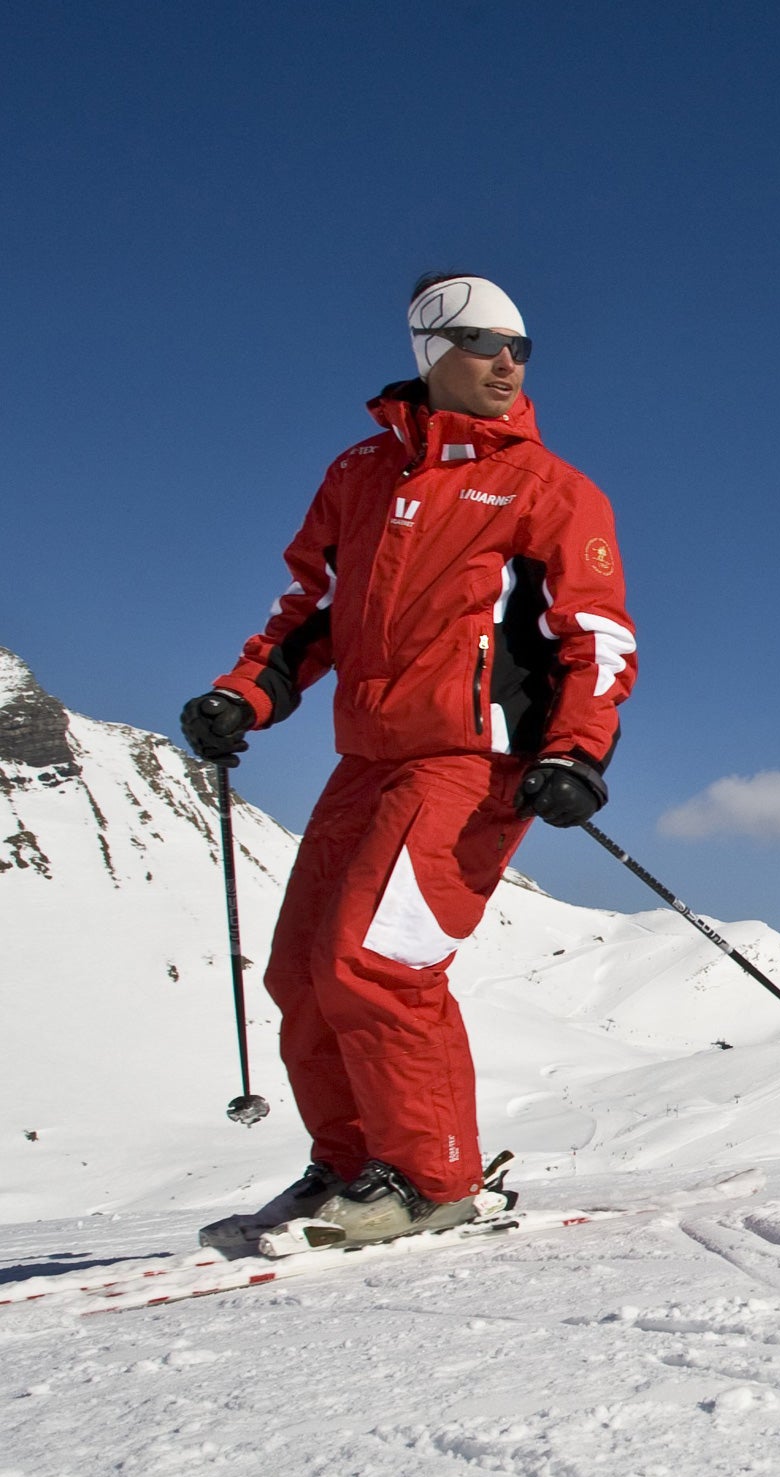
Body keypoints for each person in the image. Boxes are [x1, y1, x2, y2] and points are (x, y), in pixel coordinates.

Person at [182, 273, 636, 1247]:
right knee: (302, 973)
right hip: (369, 757)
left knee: (378, 962)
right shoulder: (360, 475)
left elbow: (596, 636)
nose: (508, 360)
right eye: (483, 341)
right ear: (432, 350)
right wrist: (243, 693)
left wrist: (577, 752)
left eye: (521, 346)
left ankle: (432, 1181)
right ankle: (352, 1168)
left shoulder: (550, 490)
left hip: (477, 758)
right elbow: (308, 612)